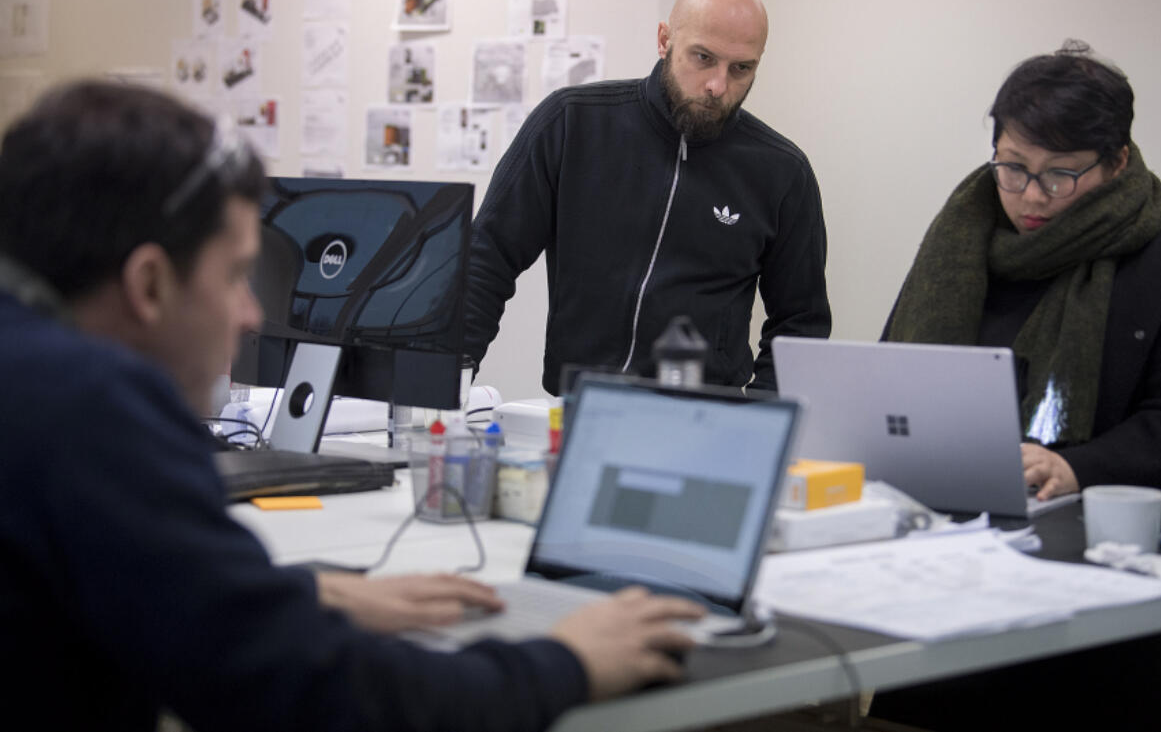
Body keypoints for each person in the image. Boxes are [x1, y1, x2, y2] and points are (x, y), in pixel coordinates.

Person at [0, 81, 704, 732]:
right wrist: (569, 659)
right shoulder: (89, 410)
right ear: (149, 283)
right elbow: (325, 694)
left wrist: (294, 594)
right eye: (239, 275)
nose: (251, 313)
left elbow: (150, 585)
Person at [871, 41, 1161, 731]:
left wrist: (1074, 465)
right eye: (1012, 167)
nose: (1030, 196)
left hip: (1090, 617)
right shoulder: (961, 243)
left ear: (1117, 160)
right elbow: (900, 378)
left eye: (1061, 176)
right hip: (938, 599)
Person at [464, 0, 831, 394]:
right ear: (664, 40)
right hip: (579, 411)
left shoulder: (782, 172)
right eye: (703, 57)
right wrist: (445, 383)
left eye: (741, 68)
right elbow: (486, 259)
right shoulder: (572, 124)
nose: (718, 85)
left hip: (704, 421)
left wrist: (760, 418)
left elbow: (801, 323)